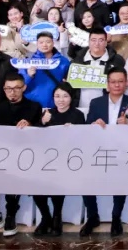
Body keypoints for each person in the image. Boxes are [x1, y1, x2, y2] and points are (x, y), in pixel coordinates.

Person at [0, 73, 44, 237]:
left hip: (24, 156)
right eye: (8, 89)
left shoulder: (34, 107)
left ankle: (10, 215)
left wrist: (30, 125)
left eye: (16, 88)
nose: (12, 92)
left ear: (24, 88)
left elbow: (41, 132)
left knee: (14, 175)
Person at [81, 68, 128, 237]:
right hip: (98, 149)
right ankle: (92, 216)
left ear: (126, 83)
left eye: (120, 81)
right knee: (86, 179)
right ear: (107, 84)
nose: (117, 85)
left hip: (122, 150)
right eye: (113, 82)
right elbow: (87, 125)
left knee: (120, 181)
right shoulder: (96, 102)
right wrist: (94, 124)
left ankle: (116, 217)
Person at [33, 83, 85, 237]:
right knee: (35, 184)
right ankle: (46, 217)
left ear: (71, 98)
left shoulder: (77, 115)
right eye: (57, 96)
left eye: (65, 96)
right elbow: (34, 135)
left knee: (57, 182)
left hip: (67, 160)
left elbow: (84, 138)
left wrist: (74, 131)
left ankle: (57, 216)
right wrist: (42, 122)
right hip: (45, 160)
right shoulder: (47, 113)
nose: (61, 100)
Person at [73, 28, 126, 112]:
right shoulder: (78, 60)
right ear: (89, 42)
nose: (97, 44)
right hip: (81, 108)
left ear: (106, 42)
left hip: (107, 108)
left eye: (101, 40)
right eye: (93, 40)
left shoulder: (116, 60)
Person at [22, 31, 70, 108]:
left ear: (53, 43)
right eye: (41, 42)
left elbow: (69, 83)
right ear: (37, 44)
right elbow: (19, 84)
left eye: (48, 42)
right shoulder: (28, 62)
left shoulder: (63, 61)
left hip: (56, 105)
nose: (44, 45)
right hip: (32, 104)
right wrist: (29, 76)